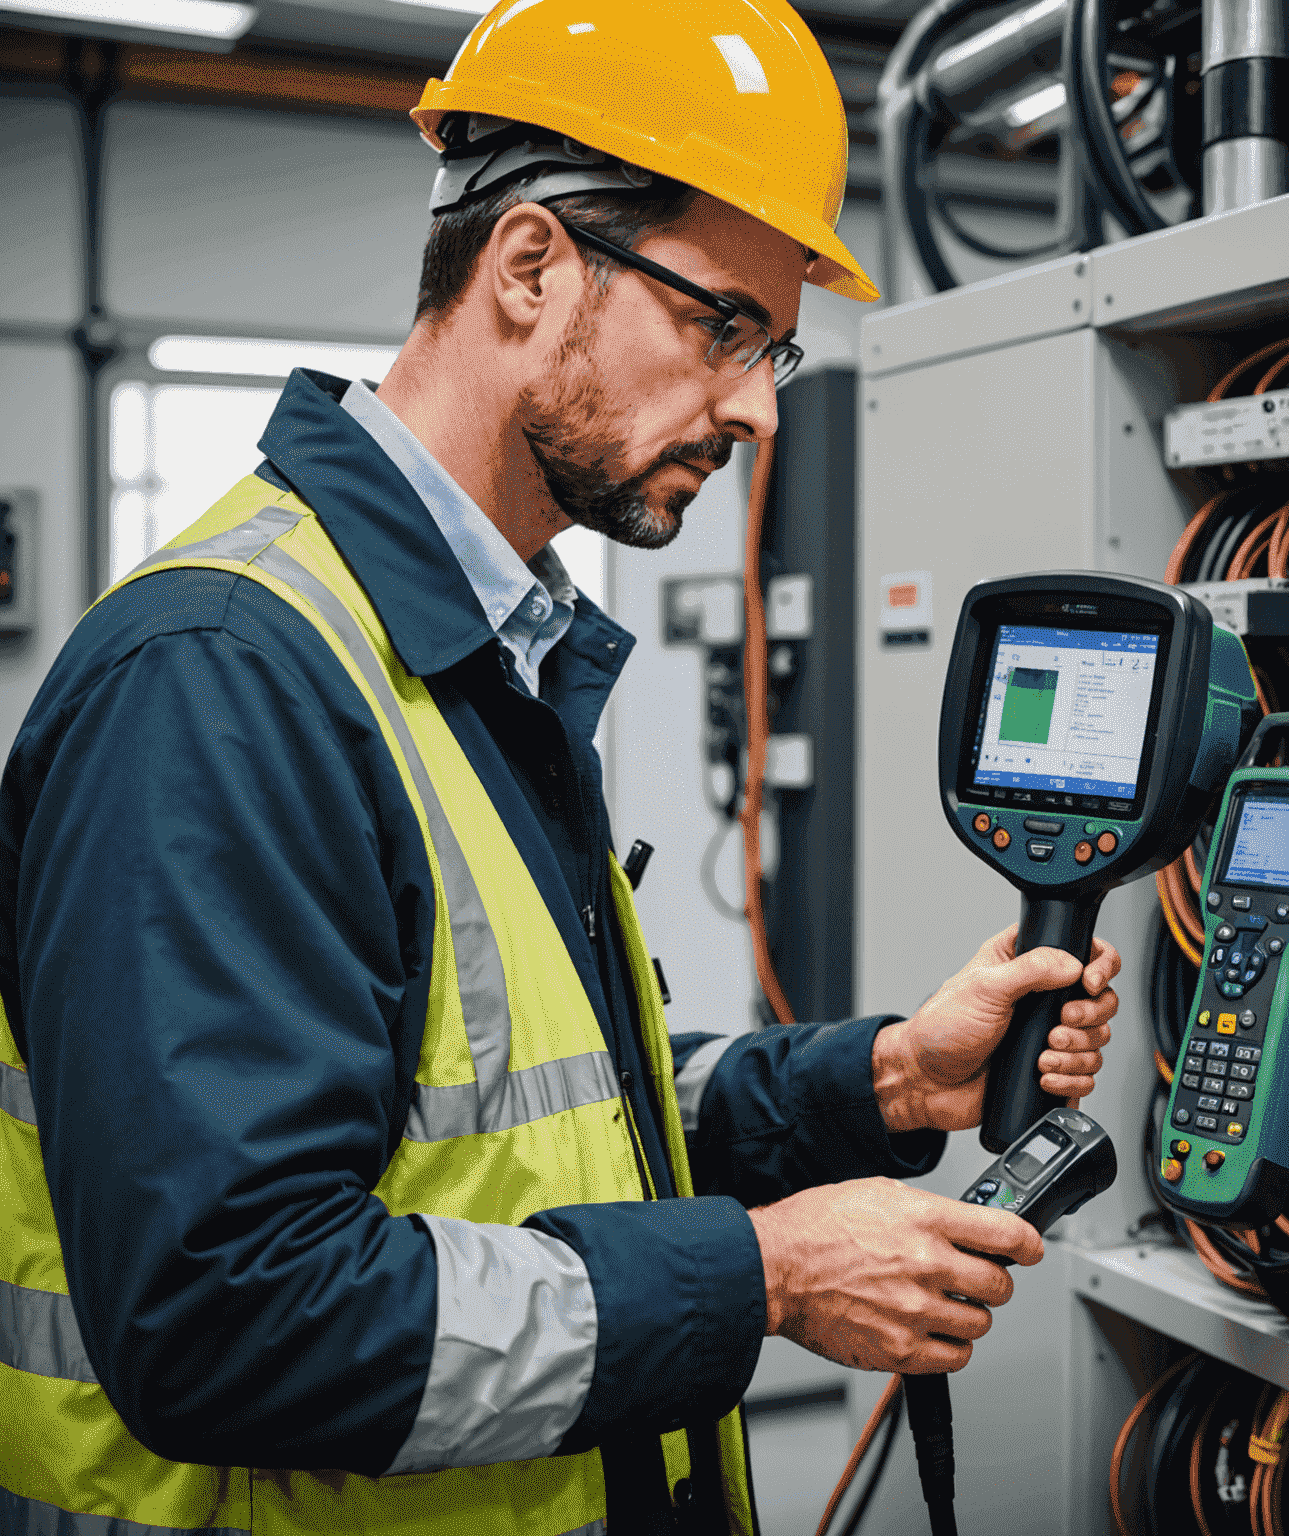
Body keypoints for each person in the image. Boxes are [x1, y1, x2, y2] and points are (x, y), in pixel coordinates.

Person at [0, 3, 1119, 1533]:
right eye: (722, 325)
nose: (756, 405)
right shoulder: (223, 675)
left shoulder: (480, 651)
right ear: (530, 266)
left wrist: (885, 1077)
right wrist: (771, 1273)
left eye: (775, 347)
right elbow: (229, 1316)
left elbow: (563, 1124)